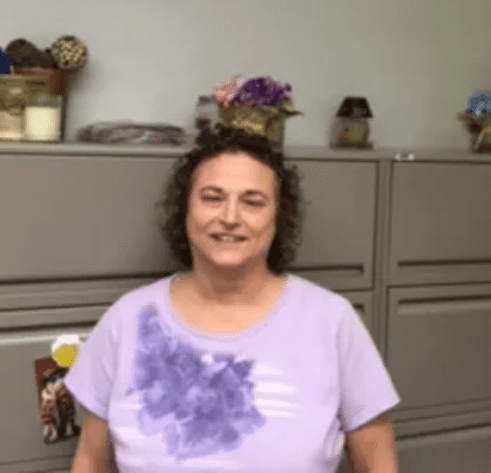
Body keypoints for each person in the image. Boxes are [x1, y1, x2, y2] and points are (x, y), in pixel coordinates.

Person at [64, 125, 400, 473]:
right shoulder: (127, 320)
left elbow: (378, 464)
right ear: (185, 209)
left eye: (252, 202)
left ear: (278, 217)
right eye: (212, 198)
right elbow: (89, 461)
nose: (229, 218)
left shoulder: (332, 321)